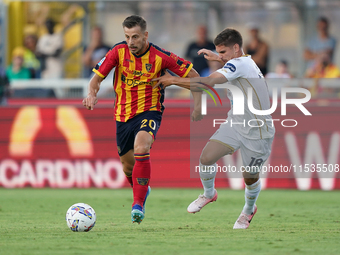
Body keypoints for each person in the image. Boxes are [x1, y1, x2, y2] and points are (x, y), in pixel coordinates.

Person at [82, 15, 202, 224]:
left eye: (135, 37)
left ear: (145, 35)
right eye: (127, 37)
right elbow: (96, 79)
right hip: (122, 115)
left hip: (150, 111)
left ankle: (137, 204)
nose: (131, 42)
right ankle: (142, 190)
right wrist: (92, 94)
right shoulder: (117, 51)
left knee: (141, 146)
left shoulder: (161, 57)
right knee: (128, 168)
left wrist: (181, 89)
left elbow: (198, 79)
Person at [153, 28, 275, 229]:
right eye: (219, 52)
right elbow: (233, 66)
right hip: (235, 124)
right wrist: (220, 58)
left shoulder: (239, 64)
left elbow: (207, 83)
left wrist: (172, 80)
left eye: (223, 52)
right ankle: (209, 194)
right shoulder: (243, 60)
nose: (221, 56)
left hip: (258, 130)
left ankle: (248, 209)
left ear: (236, 48)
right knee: (206, 157)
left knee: (249, 176)